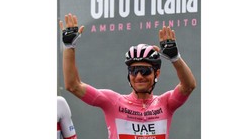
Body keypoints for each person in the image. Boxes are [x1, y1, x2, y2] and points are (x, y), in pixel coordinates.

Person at [59, 13, 196, 139]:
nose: (139, 76)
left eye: (145, 70)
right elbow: (73, 86)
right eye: (134, 70)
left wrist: (175, 58)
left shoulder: (166, 103)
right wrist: (69, 46)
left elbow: (188, 86)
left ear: (157, 73)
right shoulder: (113, 102)